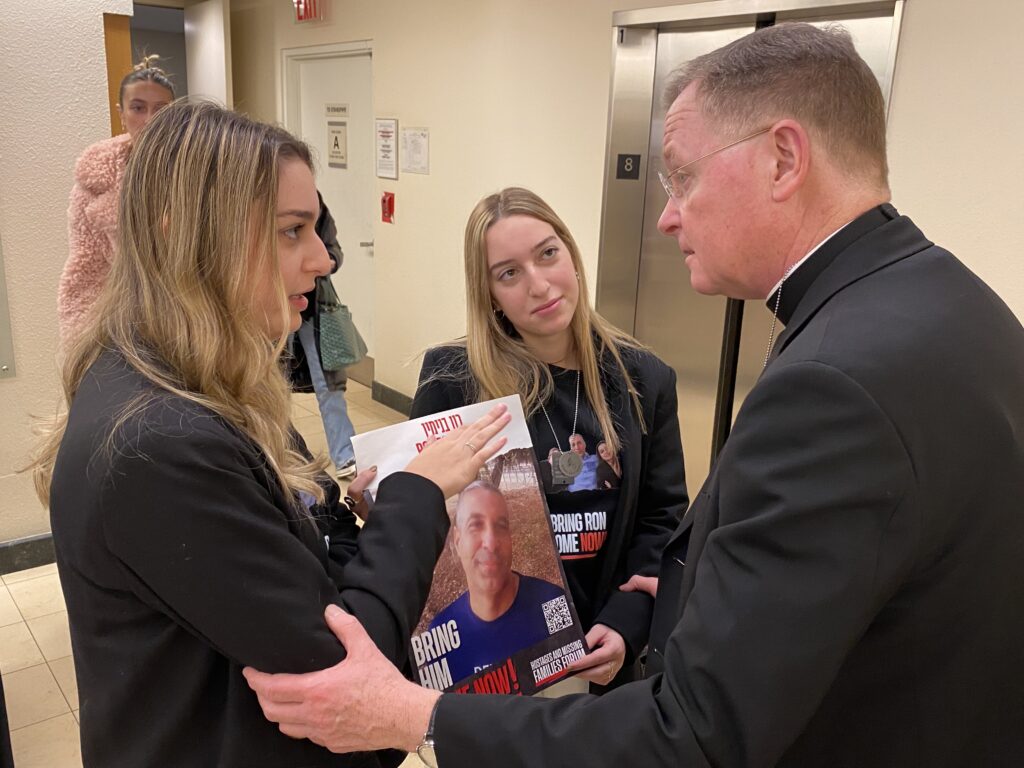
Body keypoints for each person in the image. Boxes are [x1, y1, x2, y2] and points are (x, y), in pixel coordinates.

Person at [243, 22, 1024, 768]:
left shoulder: (826, 384)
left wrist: (413, 717)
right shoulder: (952, 300)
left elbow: (695, 734)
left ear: (784, 159)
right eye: (506, 274)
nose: (668, 212)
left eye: (682, 175)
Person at [29, 100, 511, 768]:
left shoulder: (204, 383)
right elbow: (348, 690)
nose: (320, 259)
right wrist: (415, 496)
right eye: (291, 231)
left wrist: (346, 521)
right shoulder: (159, 443)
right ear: (182, 239)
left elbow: (296, 566)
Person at [407, 186, 688, 689]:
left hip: (599, 652)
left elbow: (661, 517)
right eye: (508, 273)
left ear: (572, 255)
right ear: (488, 293)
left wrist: (627, 623)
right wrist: (390, 499)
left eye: (548, 254)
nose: (539, 285)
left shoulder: (643, 380)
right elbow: (428, 519)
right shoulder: (452, 380)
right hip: (496, 659)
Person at [57, 55, 174, 347]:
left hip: (195, 317)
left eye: (160, 109)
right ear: (121, 113)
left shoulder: (200, 170)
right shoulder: (95, 182)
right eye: (138, 108)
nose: (149, 119)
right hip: (128, 323)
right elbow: (86, 267)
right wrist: (84, 343)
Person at [425, 480, 564, 683]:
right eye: (475, 525)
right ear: (457, 539)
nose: (490, 543)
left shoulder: (553, 603)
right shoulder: (439, 634)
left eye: (501, 526)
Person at [287, 193, 358, 479]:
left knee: (329, 387)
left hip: (314, 309)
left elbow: (332, 250)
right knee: (268, 387)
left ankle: (345, 456)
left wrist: (327, 262)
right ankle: (280, 456)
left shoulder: (313, 201)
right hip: (271, 310)